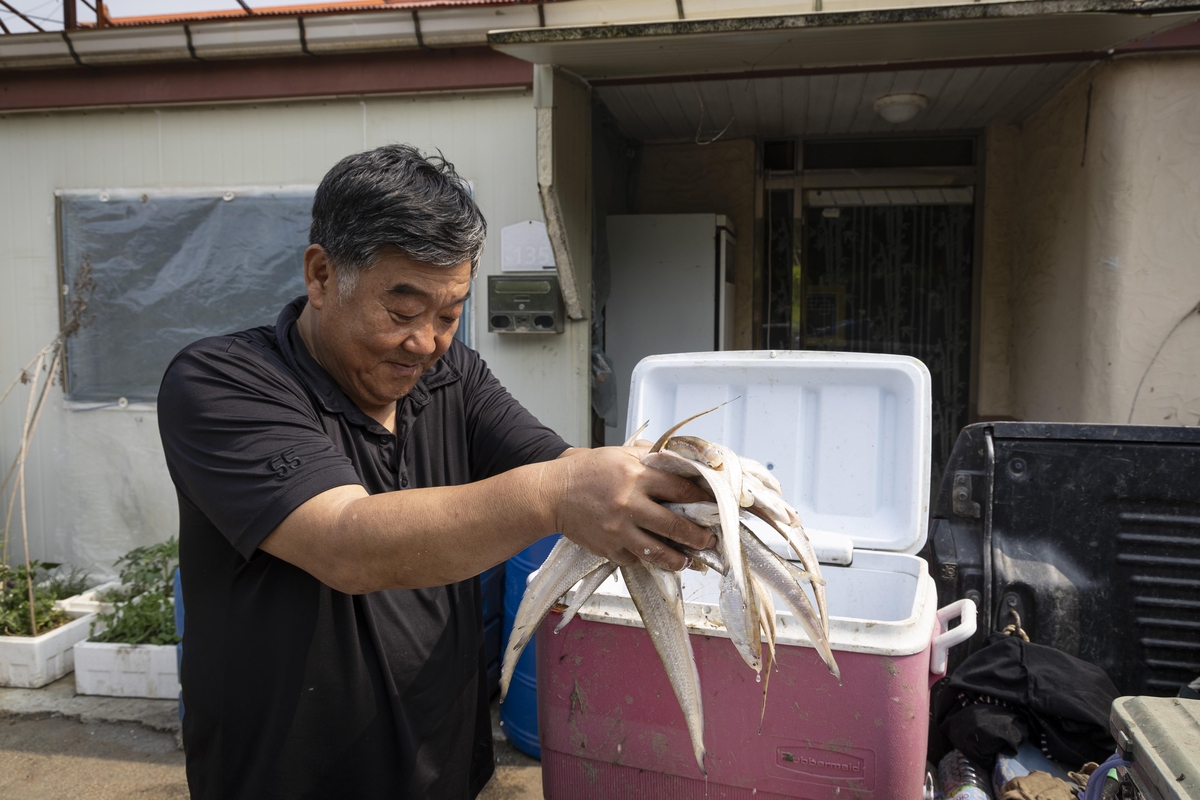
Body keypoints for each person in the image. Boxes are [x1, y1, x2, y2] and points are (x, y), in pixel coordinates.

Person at [157, 144, 713, 799]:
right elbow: (346, 542)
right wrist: (557, 495)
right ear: (321, 275)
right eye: (401, 312)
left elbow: (556, 465)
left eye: (448, 314)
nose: (425, 343)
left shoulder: (452, 377)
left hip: (442, 772)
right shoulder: (222, 383)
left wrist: (664, 490)